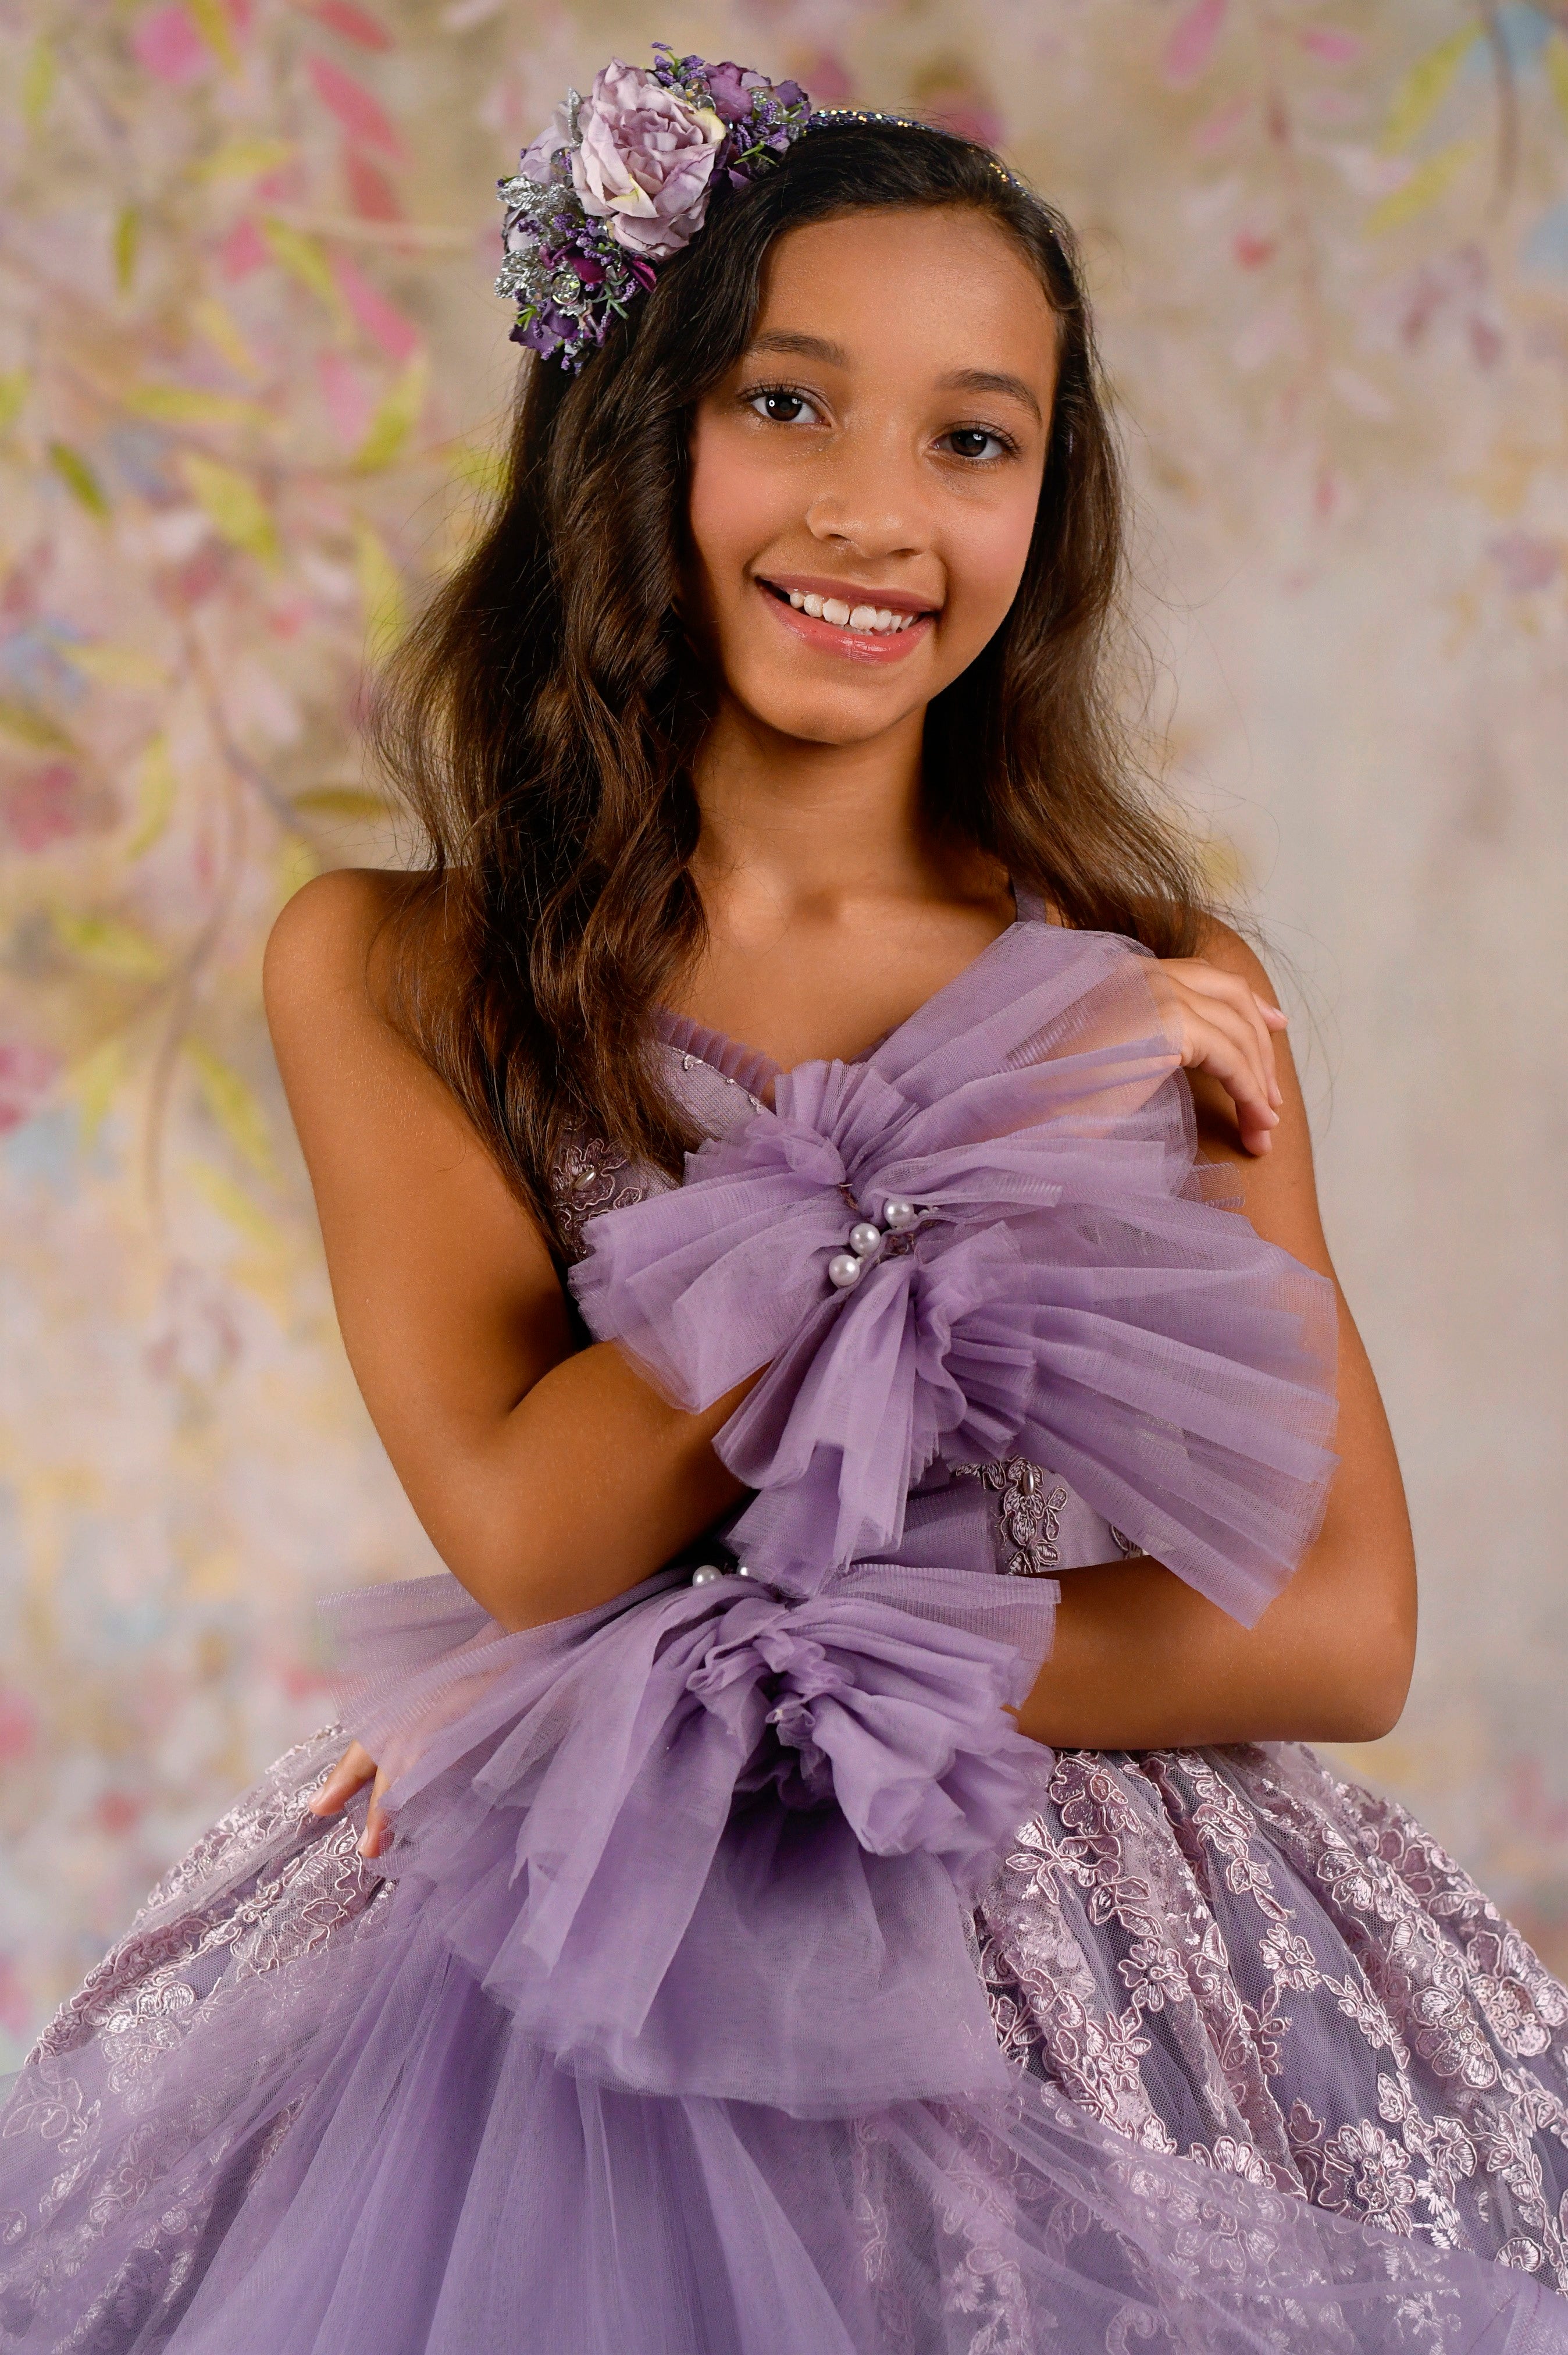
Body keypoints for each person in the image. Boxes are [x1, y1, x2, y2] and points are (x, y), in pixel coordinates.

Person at [2, 54, 1565, 2355]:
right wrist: (961, 1135)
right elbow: (536, 1533)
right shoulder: (399, 962)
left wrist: (770, 1684)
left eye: (972, 438)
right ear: (643, 431)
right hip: (577, 1963)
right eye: (787, 403)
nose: (875, 514)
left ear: (1046, 497)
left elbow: (1338, 1629)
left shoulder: (1166, 990)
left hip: (1110, 1965)